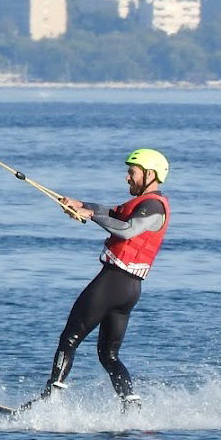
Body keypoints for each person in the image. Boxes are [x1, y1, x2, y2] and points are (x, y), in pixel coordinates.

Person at [38, 148, 171, 412]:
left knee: (69, 339)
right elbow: (111, 211)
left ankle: (49, 401)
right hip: (129, 289)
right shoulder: (143, 204)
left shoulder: (153, 206)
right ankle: (131, 407)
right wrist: (81, 205)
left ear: (150, 174)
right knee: (108, 356)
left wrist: (90, 216)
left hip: (114, 282)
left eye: (131, 172)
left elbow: (127, 229)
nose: (127, 178)